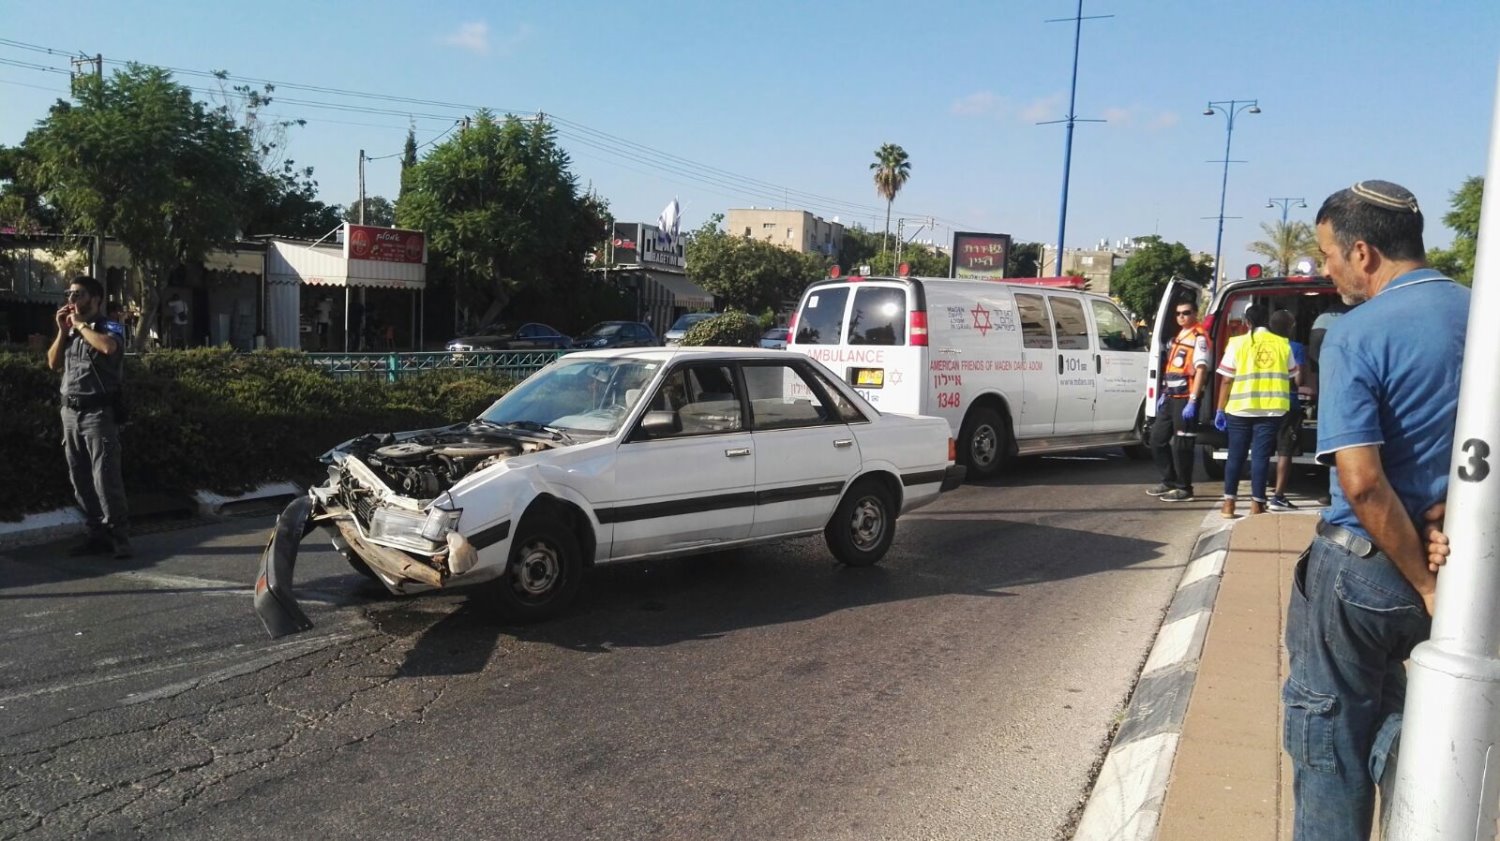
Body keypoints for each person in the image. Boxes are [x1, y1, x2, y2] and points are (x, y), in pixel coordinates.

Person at [1282, 181, 1468, 841]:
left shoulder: (1356, 334)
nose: (1327, 270)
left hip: (1365, 573)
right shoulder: (1481, 316)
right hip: (1453, 565)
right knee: (1397, 719)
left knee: (1327, 740)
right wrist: (1450, 517)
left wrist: (1421, 578)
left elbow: (1361, 483)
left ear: (1362, 252)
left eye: (1329, 255)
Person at [46, 275, 132, 559]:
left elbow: (108, 347)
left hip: (98, 413)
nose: (71, 300)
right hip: (70, 413)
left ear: (95, 299)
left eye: (78, 294)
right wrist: (62, 331)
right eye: (69, 294)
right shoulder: (70, 330)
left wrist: (81, 326)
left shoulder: (108, 326)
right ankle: (96, 534)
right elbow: (53, 363)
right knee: (79, 477)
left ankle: (119, 537)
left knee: (105, 478)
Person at [1212, 303, 1295, 518]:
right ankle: (1257, 505)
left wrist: (1220, 409)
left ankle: (1229, 504)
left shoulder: (1237, 343)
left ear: (1247, 322)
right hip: (1271, 410)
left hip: (1240, 409)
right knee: (1261, 457)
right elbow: (1292, 374)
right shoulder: (1283, 344)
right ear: (1267, 320)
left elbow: (1226, 380)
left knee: (1236, 456)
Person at [1146, 297, 1209, 502]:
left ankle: (1184, 487)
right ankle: (1169, 480)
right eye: (1178, 313)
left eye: (1186, 313)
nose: (1181, 316)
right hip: (1171, 396)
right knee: (1156, 439)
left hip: (1185, 398)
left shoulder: (1199, 337)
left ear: (1195, 314)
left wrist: (1193, 400)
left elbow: (1201, 370)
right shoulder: (1180, 335)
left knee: (1182, 445)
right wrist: (1164, 393)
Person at [1268, 308, 1307, 511]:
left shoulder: (1263, 347)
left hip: (1263, 404)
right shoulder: (1295, 348)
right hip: (1287, 403)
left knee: (1262, 449)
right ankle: (1278, 496)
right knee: (1285, 451)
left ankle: (1258, 495)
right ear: (1291, 327)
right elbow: (1299, 380)